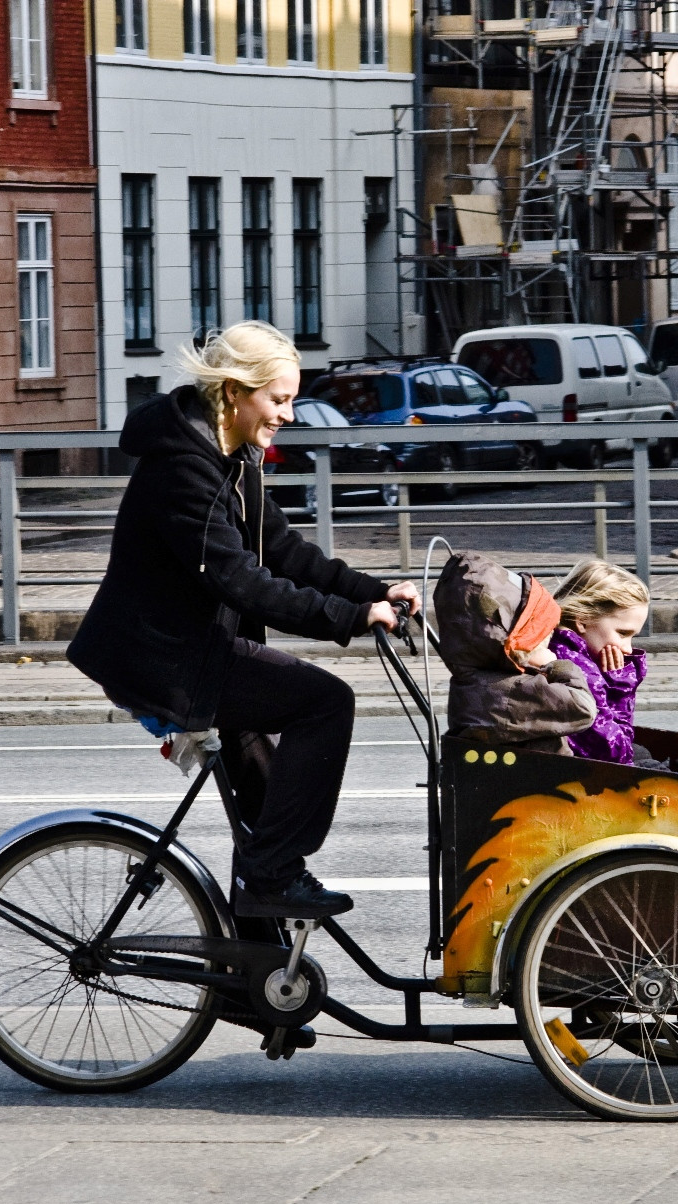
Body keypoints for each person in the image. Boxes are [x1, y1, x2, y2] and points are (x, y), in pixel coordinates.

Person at [66, 321, 423, 920]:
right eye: (277, 399)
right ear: (234, 392)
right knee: (325, 702)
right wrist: (354, 617)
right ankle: (274, 880)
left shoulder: (231, 457)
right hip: (166, 658)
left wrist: (375, 590)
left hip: (195, 647)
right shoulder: (184, 468)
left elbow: (283, 550)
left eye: (290, 399)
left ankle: (251, 976)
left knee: (263, 814)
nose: (287, 413)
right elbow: (240, 582)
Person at [433, 551, 596, 753]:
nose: (549, 641)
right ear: (519, 643)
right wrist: (559, 666)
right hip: (545, 780)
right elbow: (583, 709)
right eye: (543, 636)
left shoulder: (475, 680)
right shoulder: (513, 690)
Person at [547, 560, 650, 764]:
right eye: (622, 633)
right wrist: (619, 689)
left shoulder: (559, 650)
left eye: (633, 637)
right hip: (578, 772)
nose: (628, 649)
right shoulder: (579, 670)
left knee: (644, 753)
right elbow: (617, 753)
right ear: (582, 621)